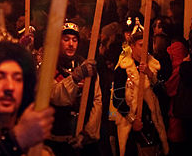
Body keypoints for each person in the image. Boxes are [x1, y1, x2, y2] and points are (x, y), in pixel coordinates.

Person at [111, 23, 169, 156]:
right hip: (130, 124)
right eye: (141, 45)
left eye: (146, 45)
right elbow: (117, 99)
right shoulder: (122, 69)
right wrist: (132, 120)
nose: (144, 49)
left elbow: (162, 93)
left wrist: (150, 74)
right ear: (132, 46)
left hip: (151, 123)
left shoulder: (154, 65)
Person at [46, 22, 101, 155]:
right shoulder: (49, 67)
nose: (71, 44)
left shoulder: (86, 66)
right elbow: (55, 96)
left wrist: (87, 133)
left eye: (74, 40)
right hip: (56, 142)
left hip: (82, 142)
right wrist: (74, 78)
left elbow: (97, 100)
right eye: (66, 40)